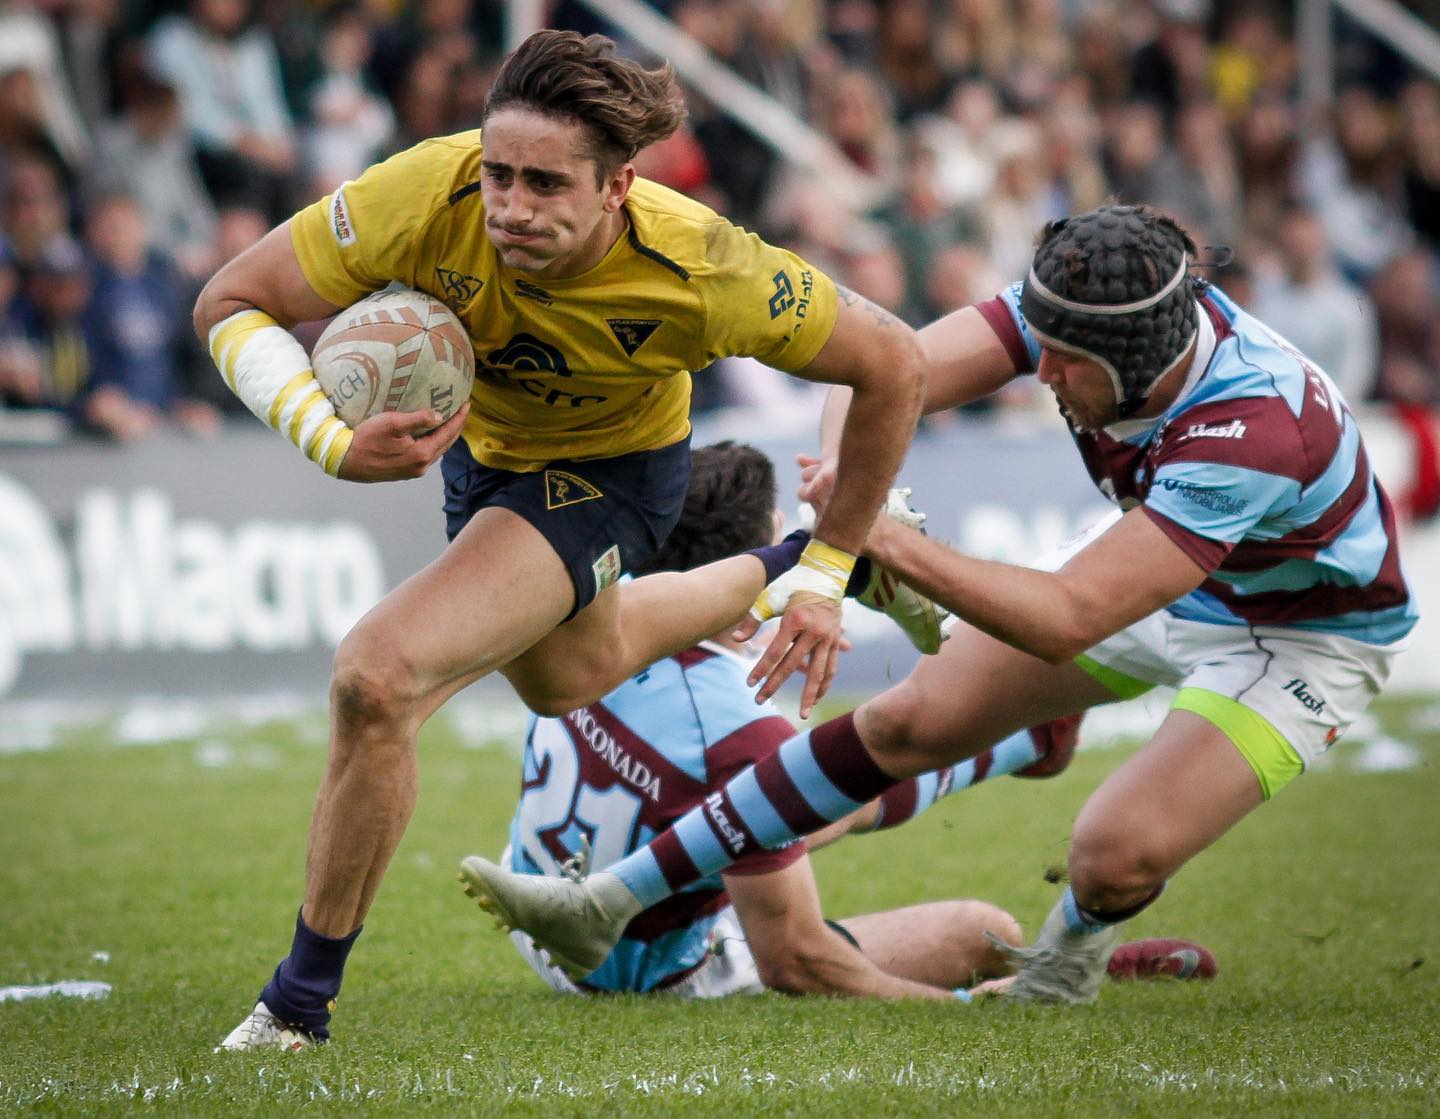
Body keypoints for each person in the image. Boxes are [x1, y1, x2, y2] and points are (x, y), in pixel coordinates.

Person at [462, 203, 1416, 1005]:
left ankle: (1065, 966)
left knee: (1112, 856)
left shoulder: (1247, 428)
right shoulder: (1095, 304)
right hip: (1170, 558)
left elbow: (1070, 615)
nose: (1042, 377)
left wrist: (886, 540)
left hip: (1300, 636)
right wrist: (850, 483)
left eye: (1067, 365)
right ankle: (609, 903)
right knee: (910, 718)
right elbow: (887, 370)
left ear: (1140, 359)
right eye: (1043, 348)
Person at [201, 30, 926, 1048]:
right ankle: (797, 556)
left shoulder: (706, 264)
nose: (509, 206)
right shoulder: (425, 191)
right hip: (484, 456)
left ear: (619, 185)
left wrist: (827, 575)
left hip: (613, 473)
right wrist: (327, 438)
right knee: (565, 677)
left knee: (379, 676)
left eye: (545, 184)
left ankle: (295, 1006)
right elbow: (229, 301)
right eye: (498, 174)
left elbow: (892, 361)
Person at [469, 441, 1214, 1003]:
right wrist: (962, 1009)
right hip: (647, 971)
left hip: (540, 918)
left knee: (810, 801)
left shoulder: (601, 612)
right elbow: (795, 958)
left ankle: (1025, 745)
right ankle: (1047, 962)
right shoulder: (737, 722)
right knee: (981, 928)